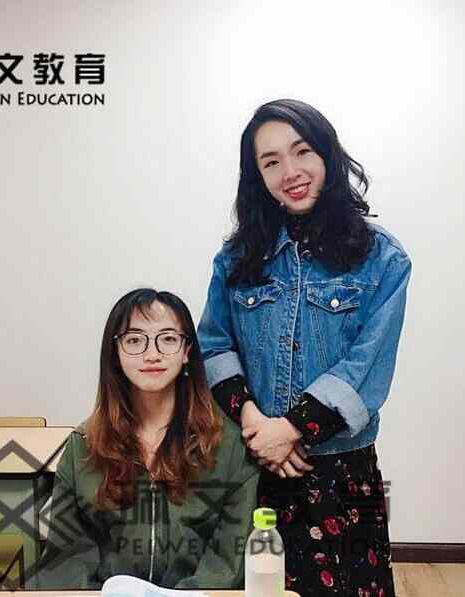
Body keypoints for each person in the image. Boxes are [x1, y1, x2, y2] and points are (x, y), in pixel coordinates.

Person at [197, 99, 411, 596]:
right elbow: (212, 345)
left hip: (339, 472)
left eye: (302, 152)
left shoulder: (382, 258)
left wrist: (292, 428)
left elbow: (368, 363)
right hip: (252, 466)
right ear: (257, 177)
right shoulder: (237, 258)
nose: (289, 172)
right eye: (271, 162)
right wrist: (254, 422)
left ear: (327, 155)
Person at [38, 288, 259, 589]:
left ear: (186, 351)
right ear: (115, 353)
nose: (152, 354)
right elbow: (67, 557)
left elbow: (229, 556)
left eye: (167, 339)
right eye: (134, 340)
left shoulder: (227, 443)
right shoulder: (84, 445)